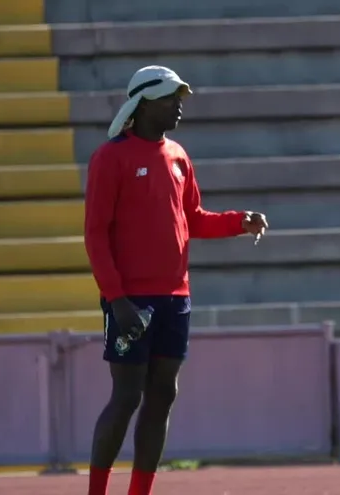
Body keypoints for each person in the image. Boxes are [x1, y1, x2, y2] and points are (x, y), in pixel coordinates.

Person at [83, 65, 268, 495]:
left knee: (163, 394)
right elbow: (95, 234)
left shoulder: (179, 155)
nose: (178, 107)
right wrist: (118, 299)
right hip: (131, 299)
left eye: (179, 98)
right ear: (142, 103)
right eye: (170, 98)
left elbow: (193, 219)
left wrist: (238, 222)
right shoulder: (111, 157)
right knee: (127, 397)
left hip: (175, 297)